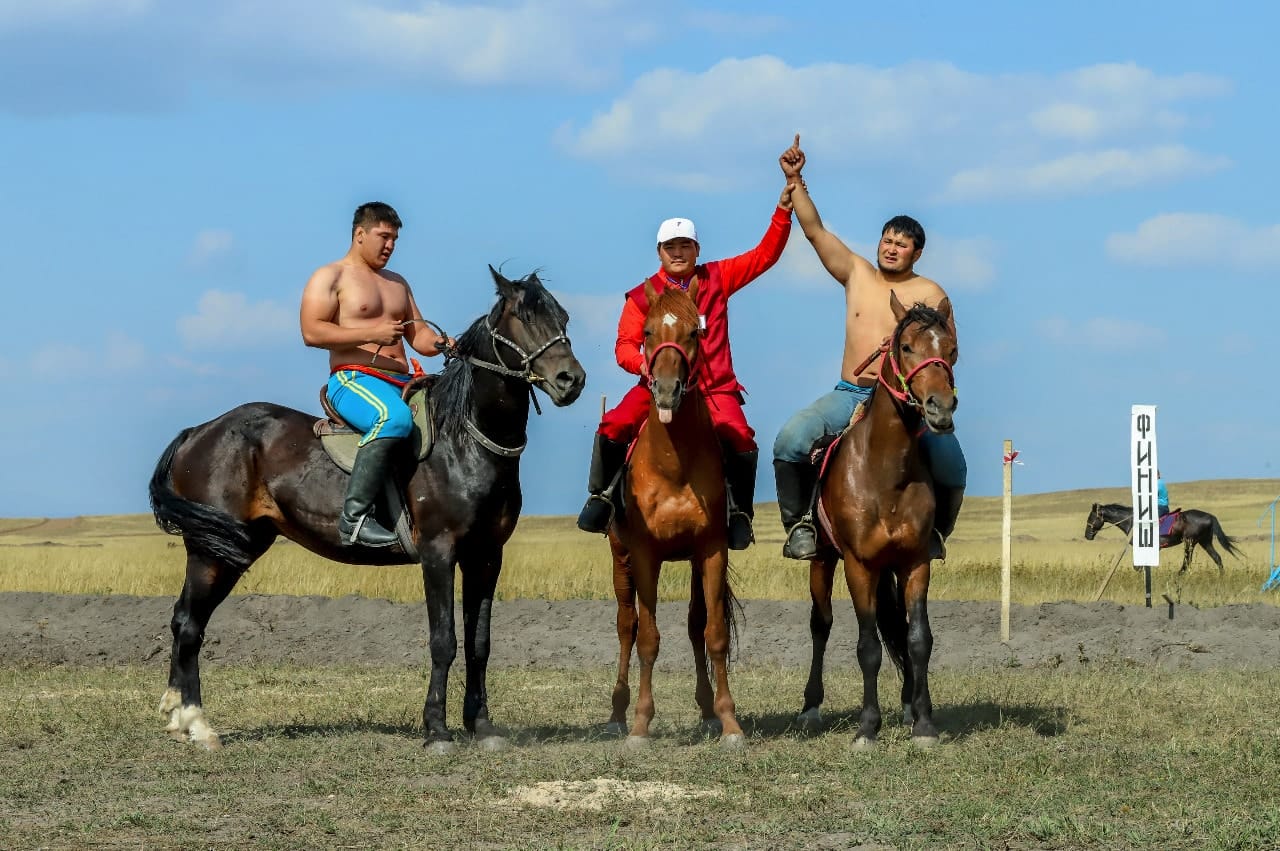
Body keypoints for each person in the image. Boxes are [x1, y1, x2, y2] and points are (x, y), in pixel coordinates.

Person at [772, 134, 967, 560]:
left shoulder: (931, 293)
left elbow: (948, 351)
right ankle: (801, 525)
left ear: (917, 252)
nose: (891, 249)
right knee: (791, 438)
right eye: (887, 241)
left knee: (952, 463)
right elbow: (815, 231)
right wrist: (794, 180)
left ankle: (935, 534)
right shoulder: (856, 273)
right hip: (851, 392)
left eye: (902, 244)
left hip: (904, 403)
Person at [575, 178, 798, 549]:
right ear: (659, 252)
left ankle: (739, 513)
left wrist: (784, 211)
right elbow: (625, 346)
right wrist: (644, 367)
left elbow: (765, 255)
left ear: (697, 249)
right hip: (657, 385)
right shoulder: (641, 296)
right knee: (614, 423)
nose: (678, 253)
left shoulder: (718, 278)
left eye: (685, 246)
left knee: (741, 436)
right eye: (670, 247)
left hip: (714, 389)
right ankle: (601, 498)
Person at [300, 201, 452, 547]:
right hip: (354, 378)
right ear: (359, 234)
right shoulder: (331, 276)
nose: (390, 245)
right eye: (383, 236)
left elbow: (419, 336)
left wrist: (443, 343)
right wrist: (371, 333)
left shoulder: (397, 283)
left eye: (394, 239)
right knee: (393, 418)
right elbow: (312, 331)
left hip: (404, 381)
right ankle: (353, 519)